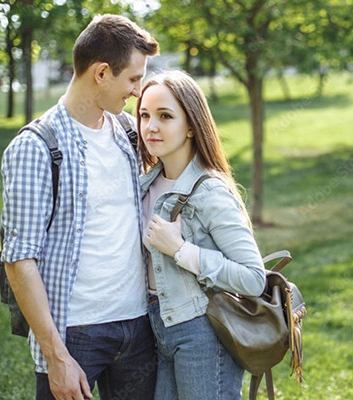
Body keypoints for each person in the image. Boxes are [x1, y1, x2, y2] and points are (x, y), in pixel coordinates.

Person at [0, 14, 159, 400]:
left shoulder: (127, 132)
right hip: (76, 334)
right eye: (133, 79)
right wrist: (57, 357)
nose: (139, 92)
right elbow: (19, 260)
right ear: (102, 73)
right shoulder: (35, 147)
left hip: (138, 326)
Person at [137, 70, 266, 400]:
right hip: (158, 327)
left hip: (202, 332)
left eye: (165, 116)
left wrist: (180, 250)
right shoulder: (144, 185)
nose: (151, 126)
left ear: (191, 125)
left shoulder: (209, 191)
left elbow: (254, 278)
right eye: (145, 115)